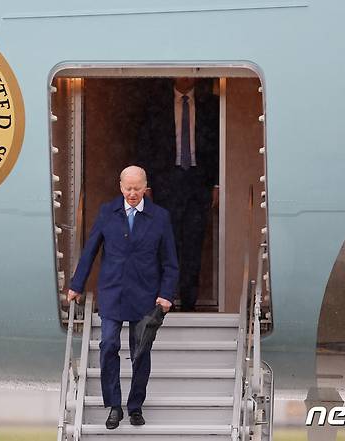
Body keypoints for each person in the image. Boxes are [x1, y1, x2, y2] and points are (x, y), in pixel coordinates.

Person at [68, 165, 178, 429]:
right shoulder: (108, 212)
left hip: (145, 295)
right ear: (120, 186)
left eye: (137, 188)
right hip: (112, 292)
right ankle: (114, 406)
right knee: (108, 346)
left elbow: (170, 261)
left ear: (145, 187)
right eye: (128, 188)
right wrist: (77, 284)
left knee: (141, 352)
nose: (132, 193)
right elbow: (90, 250)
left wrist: (166, 294)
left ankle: (135, 406)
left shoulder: (160, 217)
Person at [136, 78, 219, 312]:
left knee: (194, 243)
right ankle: (165, 300)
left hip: (198, 182)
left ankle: (189, 302)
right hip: (166, 182)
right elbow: (145, 145)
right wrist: (147, 185)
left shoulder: (209, 104)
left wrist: (217, 184)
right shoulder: (157, 104)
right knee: (166, 243)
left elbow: (217, 147)